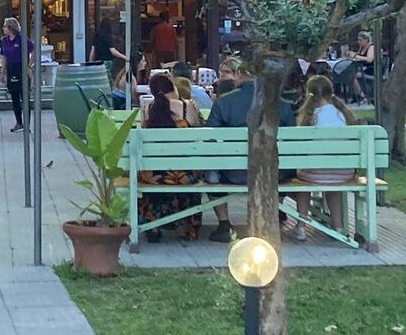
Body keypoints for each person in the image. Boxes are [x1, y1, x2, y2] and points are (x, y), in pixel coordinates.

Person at [204, 57, 296, 242]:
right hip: (276, 173)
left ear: (239, 74)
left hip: (233, 172)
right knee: (285, 163)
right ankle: (275, 210)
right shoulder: (281, 103)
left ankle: (224, 223)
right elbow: (292, 141)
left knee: (212, 169)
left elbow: (210, 139)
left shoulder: (223, 102)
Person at [291, 75, 359, 241]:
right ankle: (338, 227)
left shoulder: (310, 118)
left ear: (309, 94)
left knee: (303, 185)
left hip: (315, 172)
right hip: (344, 172)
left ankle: (301, 226)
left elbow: (299, 147)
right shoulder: (343, 115)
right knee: (333, 186)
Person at [136, 73, 200, 241]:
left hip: (152, 174)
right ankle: (185, 225)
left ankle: (152, 223)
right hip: (182, 174)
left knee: (153, 175)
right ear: (173, 88)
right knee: (189, 173)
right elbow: (198, 132)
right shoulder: (186, 107)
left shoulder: (146, 110)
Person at [0, 17, 33, 132]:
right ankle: (19, 122)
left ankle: (27, 124)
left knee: (25, 98)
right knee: (14, 98)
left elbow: (34, 51)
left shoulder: (22, 39)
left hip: (21, 69)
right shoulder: (4, 41)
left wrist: (29, 65)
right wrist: (2, 73)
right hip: (11, 69)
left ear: (10, 28)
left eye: (4, 26)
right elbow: (4, 57)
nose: (3, 28)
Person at [346, 31, 376, 101]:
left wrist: (355, 56)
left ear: (366, 40)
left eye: (360, 40)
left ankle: (362, 96)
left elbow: (369, 59)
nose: (359, 42)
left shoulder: (371, 47)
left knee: (352, 76)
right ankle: (357, 95)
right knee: (348, 74)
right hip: (361, 69)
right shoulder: (361, 48)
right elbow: (359, 56)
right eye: (358, 40)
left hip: (370, 69)